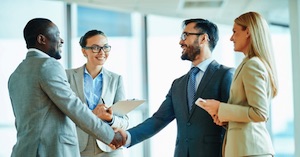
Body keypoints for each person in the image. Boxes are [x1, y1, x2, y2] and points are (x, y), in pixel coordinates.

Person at [7, 18, 126, 157]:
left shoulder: (16, 74)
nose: (61, 40)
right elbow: (74, 107)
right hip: (50, 151)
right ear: (41, 39)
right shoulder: (48, 66)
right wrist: (110, 135)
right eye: (57, 35)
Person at [123, 18, 234, 157]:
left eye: (185, 35)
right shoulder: (178, 84)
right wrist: (127, 136)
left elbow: (234, 119)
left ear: (203, 39)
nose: (181, 42)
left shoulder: (225, 75)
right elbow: (159, 119)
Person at [197, 12, 277, 157]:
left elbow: (260, 113)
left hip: (251, 151)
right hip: (247, 150)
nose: (231, 38)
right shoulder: (249, 63)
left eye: (235, 32)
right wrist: (224, 117)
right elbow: (249, 114)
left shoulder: (253, 65)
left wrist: (220, 107)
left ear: (248, 32)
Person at [66, 30, 129, 157]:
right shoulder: (67, 77)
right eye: (95, 48)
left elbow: (125, 122)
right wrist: (92, 115)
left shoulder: (116, 80)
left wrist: (111, 119)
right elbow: (63, 116)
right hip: (78, 146)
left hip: (110, 147)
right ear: (84, 51)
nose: (102, 52)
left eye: (105, 47)